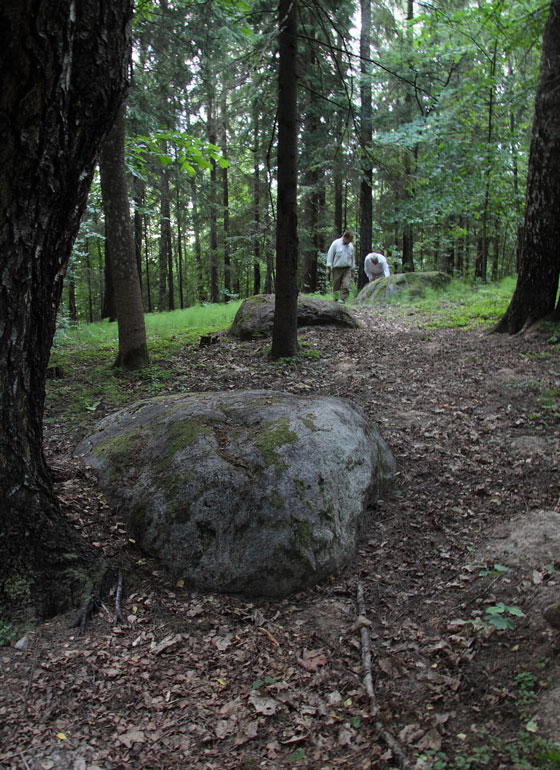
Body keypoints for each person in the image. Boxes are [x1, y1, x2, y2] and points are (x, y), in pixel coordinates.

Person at [326, 230, 355, 303]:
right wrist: (328, 267)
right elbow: (330, 255)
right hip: (337, 268)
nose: (350, 241)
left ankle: (342, 299)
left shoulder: (351, 246)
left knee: (346, 284)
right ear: (345, 237)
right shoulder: (336, 244)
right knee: (336, 285)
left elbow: (352, 258)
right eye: (350, 239)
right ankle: (335, 299)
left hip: (347, 268)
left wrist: (352, 270)